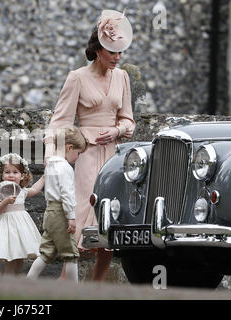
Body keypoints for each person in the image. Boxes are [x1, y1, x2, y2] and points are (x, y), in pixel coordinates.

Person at [44, 9, 136, 281]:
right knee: (84, 212)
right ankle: (66, 281)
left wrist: (118, 129)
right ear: (98, 50)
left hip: (114, 155)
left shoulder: (122, 77)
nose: (117, 58)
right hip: (85, 154)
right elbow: (59, 121)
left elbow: (128, 119)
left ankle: (96, 286)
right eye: (112, 53)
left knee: (111, 215)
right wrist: (52, 157)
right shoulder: (77, 77)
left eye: (120, 53)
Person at [27, 126, 88, 283]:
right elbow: (66, 194)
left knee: (46, 253)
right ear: (69, 147)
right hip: (61, 213)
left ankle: (27, 283)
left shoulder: (51, 165)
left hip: (50, 212)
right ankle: (75, 290)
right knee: (71, 254)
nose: (78, 157)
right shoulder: (65, 167)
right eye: (78, 153)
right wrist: (71, 217)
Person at [0, 153, 44, 275]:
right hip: (7, 227)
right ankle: (5, 283)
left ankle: (11, 281)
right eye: (7, 172)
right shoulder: (1, 191)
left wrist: (44, 177)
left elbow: (34, 190)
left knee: (19, 260)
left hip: (21, 227)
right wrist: (6, 202)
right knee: (11, 257)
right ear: (2, 175)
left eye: (15, 172)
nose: (11, 175)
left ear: (22, 175)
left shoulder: (22, 190)